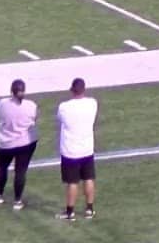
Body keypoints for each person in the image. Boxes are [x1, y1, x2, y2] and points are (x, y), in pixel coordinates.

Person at [0, 79, 38, 210]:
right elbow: (34, 119)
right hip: (26, 142)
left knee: (2, 168)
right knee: (20, 171)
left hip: (7, 142)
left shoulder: (3, 104)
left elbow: (0, 116)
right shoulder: (31, 105)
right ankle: (18, 200)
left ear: (11, 91)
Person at [56, 77, 98, 221]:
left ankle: (70, 212)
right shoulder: (92, 103)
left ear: (72, 90)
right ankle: (89, 209)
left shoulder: (64, 107)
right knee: (89, 178)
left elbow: (60, 119)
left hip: (71, 150)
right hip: (87, 148)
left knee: (72, 182)